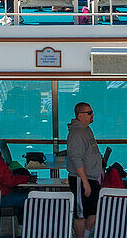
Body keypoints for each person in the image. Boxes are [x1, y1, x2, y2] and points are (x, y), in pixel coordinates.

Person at [66, 102, 103, 238]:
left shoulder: (86, 130)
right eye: (89, 113)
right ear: (80, 115)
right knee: (81, 215)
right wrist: (85, 182)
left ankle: (86, 235)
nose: (92, 115)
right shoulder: (76, 133)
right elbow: (76, 159)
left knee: (92, 213)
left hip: (93, 178)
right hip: (81, 179)